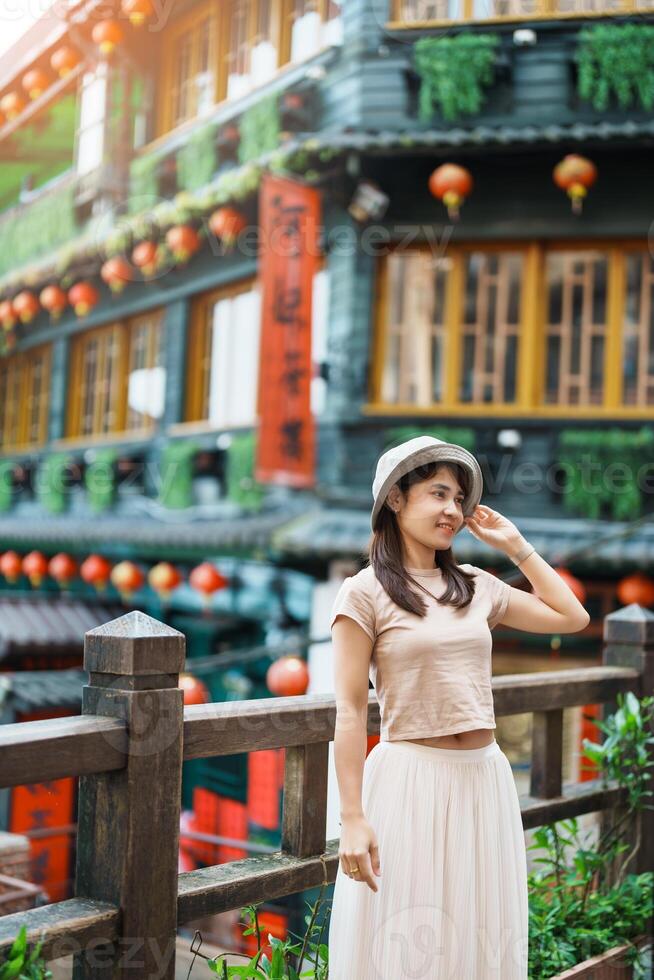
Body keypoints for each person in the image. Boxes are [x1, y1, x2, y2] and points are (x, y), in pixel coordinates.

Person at [327, 435, 590, 980]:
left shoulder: (475, 586)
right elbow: (350, 711)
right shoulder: (363, 592)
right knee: (408, 940)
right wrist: (351, 818)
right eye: (438, 494)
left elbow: (572, 618)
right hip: (409, 782)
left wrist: (516, 546)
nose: (453, 510)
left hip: (483, 779)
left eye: (459, 499)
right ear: (395, 500)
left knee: (477, 935)